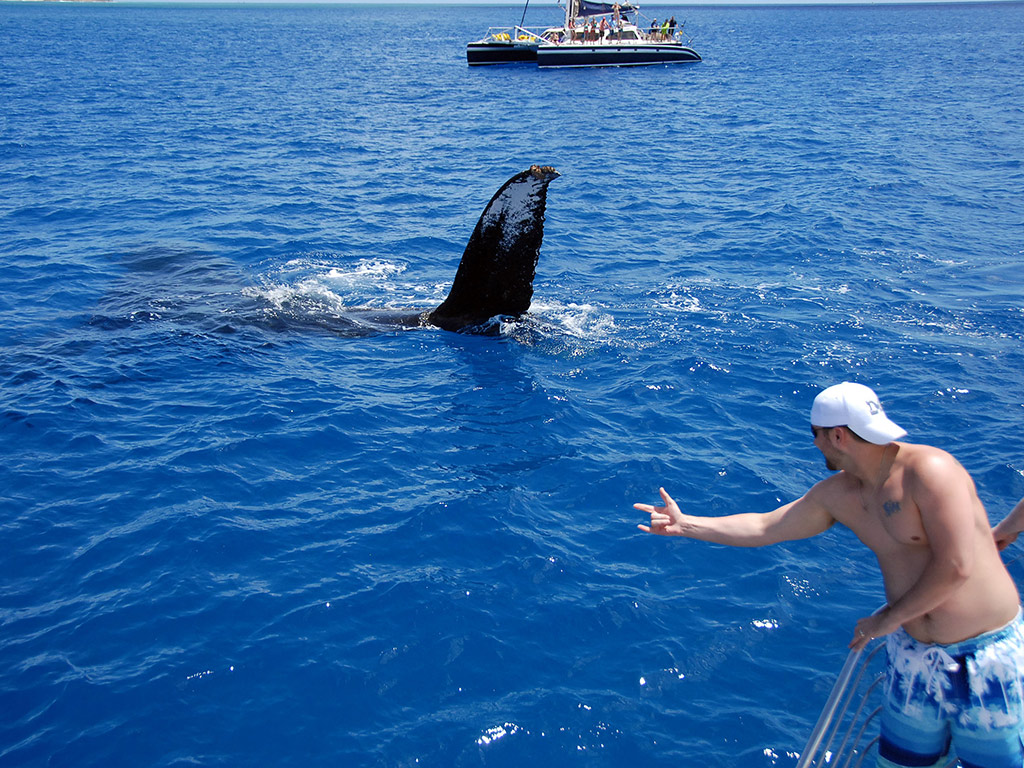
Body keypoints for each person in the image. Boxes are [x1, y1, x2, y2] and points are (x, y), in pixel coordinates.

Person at [635, 382, 1024, 768]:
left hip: (987, 659)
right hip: (913, 657)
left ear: (837, 435)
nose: (815, 444)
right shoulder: (838, 495)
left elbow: (957, 566)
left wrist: (887, 619)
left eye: (815, 434)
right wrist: (687, 525)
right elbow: (765, 527)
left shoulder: (931, 471)